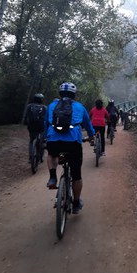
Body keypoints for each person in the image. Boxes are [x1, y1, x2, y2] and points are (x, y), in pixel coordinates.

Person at [44, 82, 95, 214]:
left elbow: (46, 123)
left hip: (53, 140)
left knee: (51, 154)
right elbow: (88, 125)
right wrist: (92, 137)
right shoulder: (79, 107)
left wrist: (46, 137)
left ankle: (52, 177)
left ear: (60, 94)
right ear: (74, 94)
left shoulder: (51, 106)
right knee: (76, 175)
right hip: (73, 142)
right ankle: (76, 203)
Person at [24, 93, 47, 163]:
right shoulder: (45, 107)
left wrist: (25, 122)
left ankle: (31, 157)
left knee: (31, 140)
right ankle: (40, 156)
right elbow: (47, 118)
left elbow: (26, 115)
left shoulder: (29, 106)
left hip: (31, 126)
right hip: (40, 126)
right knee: (42, 140)